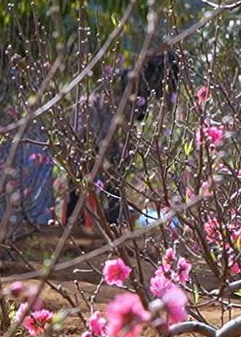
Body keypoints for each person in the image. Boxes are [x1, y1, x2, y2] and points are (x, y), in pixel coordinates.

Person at [63, 51, 179, 231]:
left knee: (100, 181)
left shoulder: (138, 83)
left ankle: (103, 227)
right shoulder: (137, 82)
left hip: (96, 123)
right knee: (91, 179)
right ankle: (94, 227)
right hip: (93, 121)